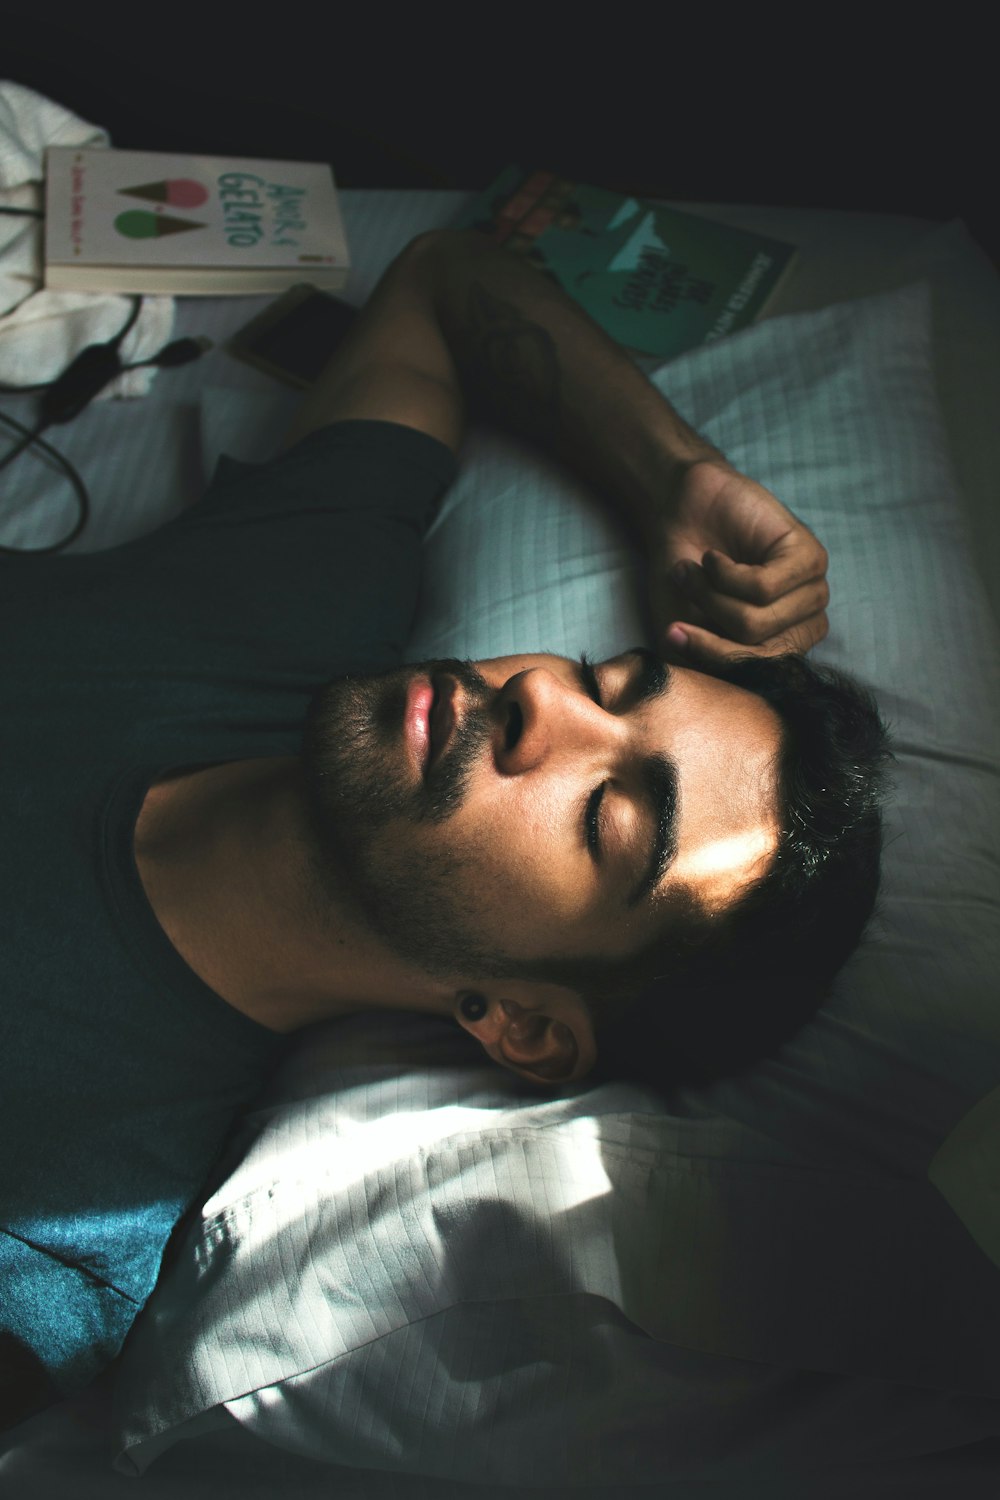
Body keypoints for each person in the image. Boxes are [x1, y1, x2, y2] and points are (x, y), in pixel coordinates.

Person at [0, 228, 888, 1425]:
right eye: (606, 681)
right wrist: (672, 478)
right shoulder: (299, 606)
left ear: (523, 1023)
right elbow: (445, 280)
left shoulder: (67, 1222)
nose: (542, 701)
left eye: (608, 813)